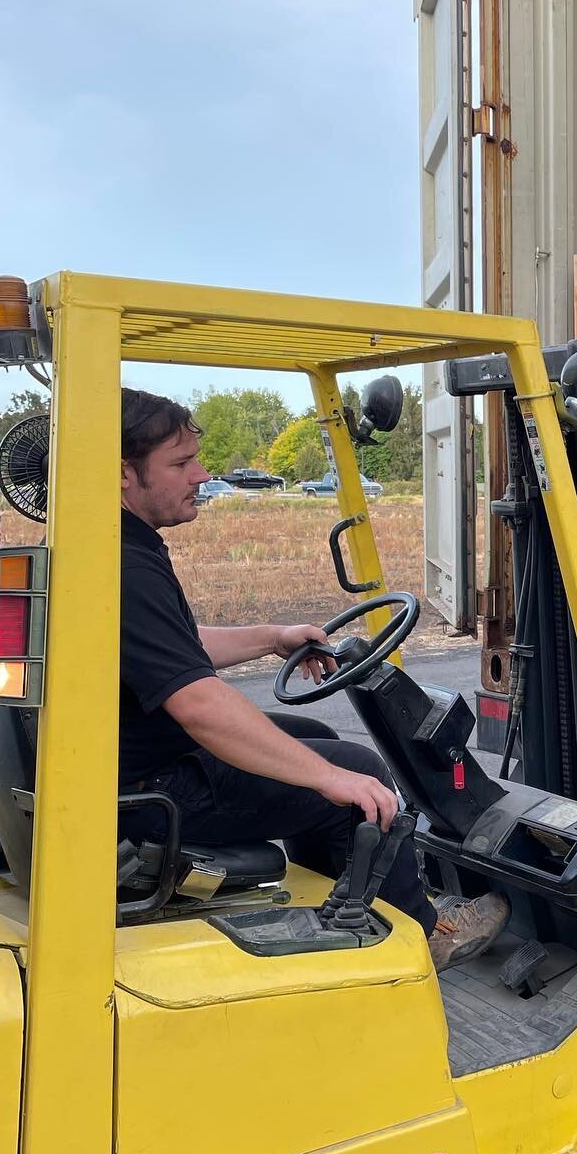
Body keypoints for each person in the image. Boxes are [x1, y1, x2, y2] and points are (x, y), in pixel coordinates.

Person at [117, 387, 507, 967]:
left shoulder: (117, 545)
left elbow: (174, 651)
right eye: (180, 464)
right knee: (357, 774)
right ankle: (426, 934)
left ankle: (338, 904)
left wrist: (272, 638)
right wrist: (330, 780)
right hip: (152, 795)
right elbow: (197, 703)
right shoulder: (126, 566)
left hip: (138, 765)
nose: (202, 474)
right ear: (124, 474)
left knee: (307, 735)